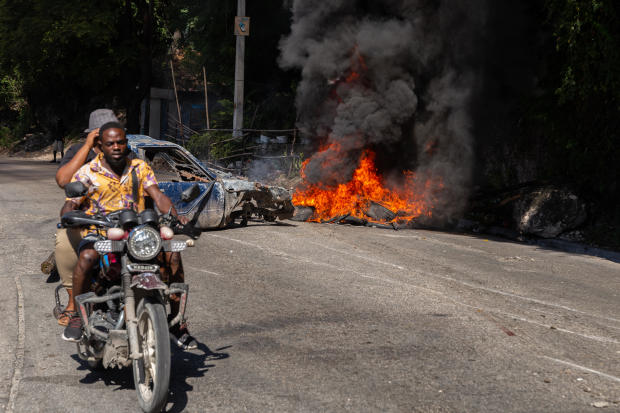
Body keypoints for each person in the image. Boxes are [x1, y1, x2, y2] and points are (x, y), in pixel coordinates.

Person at [60, 122, 196, 349]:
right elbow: (71, 202)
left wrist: (175, 215)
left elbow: (157, 194)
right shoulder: (87, 172)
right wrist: (69, 214)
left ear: (126, 143)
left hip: (137, 232)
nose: (116, 147)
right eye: (110, 143)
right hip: (101, 231)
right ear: (100, 146)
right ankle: (77, 314)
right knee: (86, 258)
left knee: (172, 255)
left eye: (120, 142)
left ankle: (176, 323)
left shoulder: (140, 167)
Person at [54, 109, 120, 326]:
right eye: (102, 135)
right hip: (86, 219)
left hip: (120, 218)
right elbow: (64, 180)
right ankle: (74, 303)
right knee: (64, 241)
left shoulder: (124, 152)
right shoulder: (78, 151)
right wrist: (87, 146)